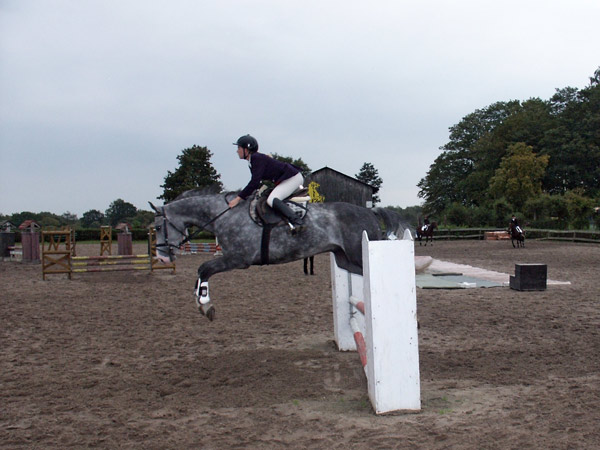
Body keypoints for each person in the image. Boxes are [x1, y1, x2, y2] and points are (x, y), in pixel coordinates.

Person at [228, 134, 305, 233]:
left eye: (239, 148)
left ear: (246, 149)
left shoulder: (256, 158)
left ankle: (297, 222)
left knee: (272, 199)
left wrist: (238, 199)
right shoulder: (253, 160)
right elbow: (256, 182)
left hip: (292, 178)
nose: (237, 151)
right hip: (287, 179)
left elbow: (254, 182)